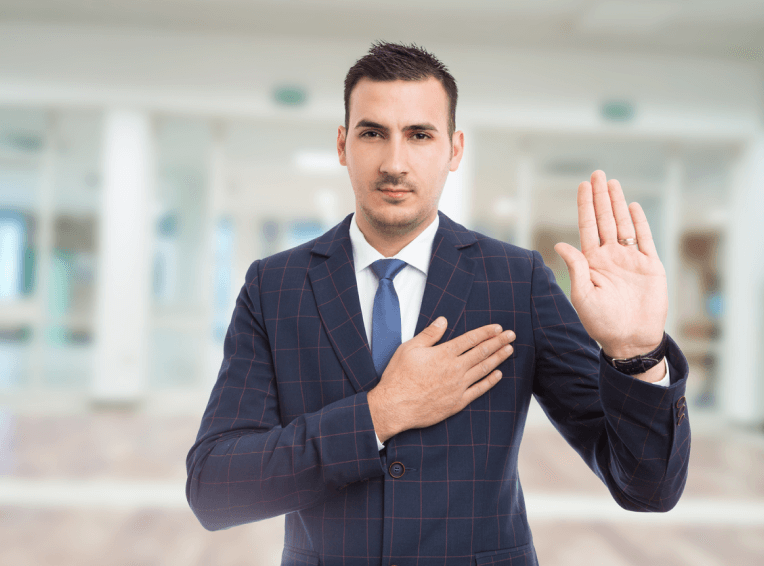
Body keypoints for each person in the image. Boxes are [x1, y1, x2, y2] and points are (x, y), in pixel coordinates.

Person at [187, 42, 690, 565]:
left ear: (454, 149)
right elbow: (215, 486)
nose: (394, 162)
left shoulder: (517, 281)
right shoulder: (276, 286)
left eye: (420, 135)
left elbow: (647, 489)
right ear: (342, 145)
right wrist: (380, 413)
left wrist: (638, 353)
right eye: (372, 133)